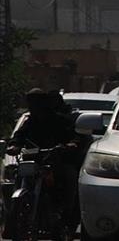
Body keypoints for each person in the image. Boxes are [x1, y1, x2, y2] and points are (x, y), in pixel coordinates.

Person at [5, 89, 89, 236]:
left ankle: (64, 213)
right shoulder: (30, 122)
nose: (34, 106)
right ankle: (12, 221)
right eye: (31, 102)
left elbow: (74, 137)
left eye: (37, 102)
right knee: (18, 176)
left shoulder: (60, 120)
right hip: (33, 161)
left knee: (69, 177)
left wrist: (70, 145)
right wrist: (14, 145)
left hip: (55, 162)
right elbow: (19, 136)